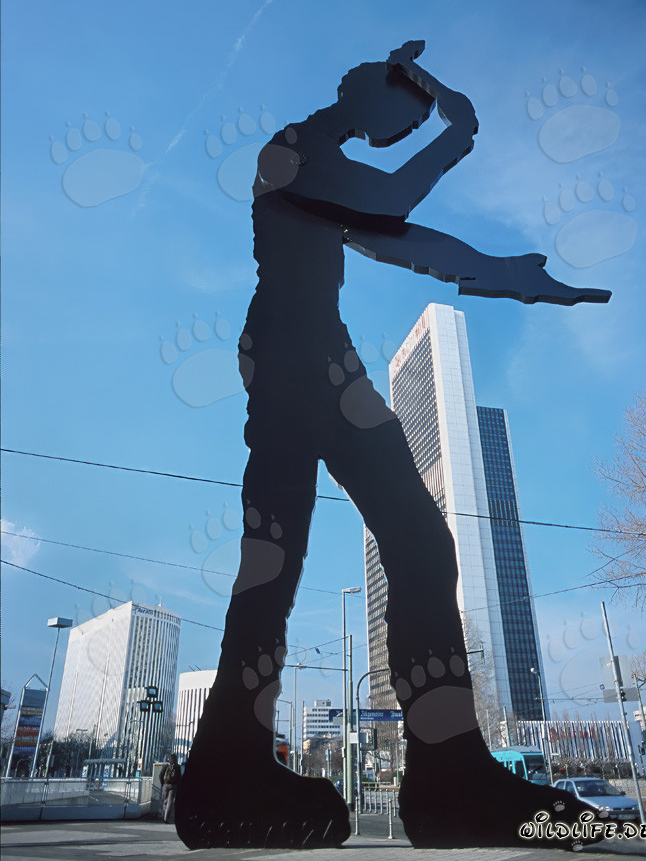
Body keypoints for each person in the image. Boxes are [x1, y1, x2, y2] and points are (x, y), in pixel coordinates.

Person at [175, 42, 610, 851]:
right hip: (292, 358)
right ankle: (229, 770)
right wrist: (455, 131)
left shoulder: (320, 167)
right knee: (277, 549)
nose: (403, 131)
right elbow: (391, 203)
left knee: (408, 541)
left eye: (413, 123)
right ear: (365, 94)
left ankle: (447, 776)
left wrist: (510, 274)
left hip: (321, 359)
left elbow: (403, 238)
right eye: (402, 118)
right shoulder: (291, 152)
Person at [159, 753, 181, 824]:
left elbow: (160, 775)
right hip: (173, 786)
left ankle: (163, 815)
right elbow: (179, 778)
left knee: (164, 801)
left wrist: (163, 784)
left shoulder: (166, 766)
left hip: (165, 785)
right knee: (170, 802)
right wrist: (177, 785)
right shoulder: (178, 767)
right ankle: (166, 818)